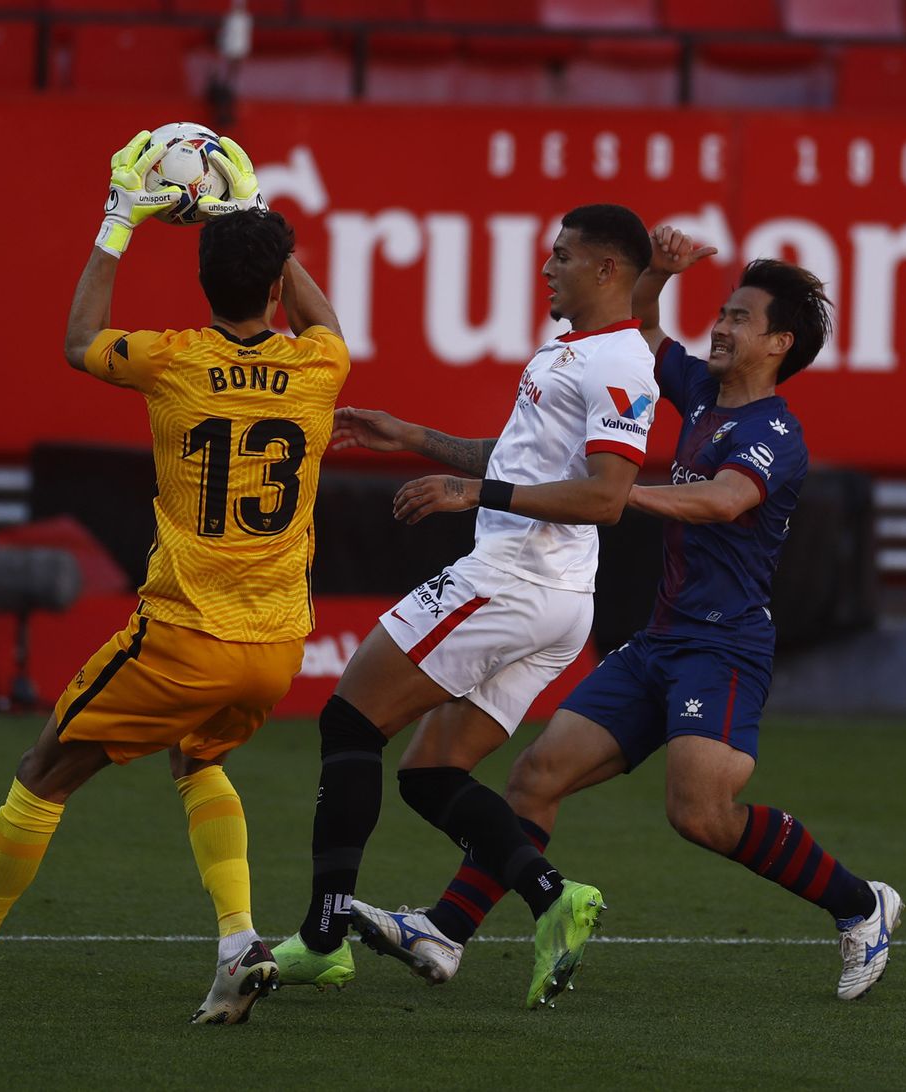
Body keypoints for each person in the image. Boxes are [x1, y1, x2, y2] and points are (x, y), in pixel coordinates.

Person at [0, 130, 349, 1026]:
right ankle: (239, 940)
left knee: (42, 769)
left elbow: (79, 338)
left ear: (205, 286)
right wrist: (255, 220)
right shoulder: (320, 366)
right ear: (278, 284)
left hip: (184, 634)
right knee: (198, 755)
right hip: (279, 646)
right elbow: (322, 320)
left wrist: (120, 220)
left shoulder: (173, 360)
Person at [351, 228, 903, 1004]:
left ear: (779, 343)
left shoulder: (776, 433)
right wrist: (660, 279)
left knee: (701, 814)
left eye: (740, 319)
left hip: (725, 649)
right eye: (722, 311)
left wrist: (613, 495)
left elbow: (722, 500)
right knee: (536, 777)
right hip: (659, 641)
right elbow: (641, 337)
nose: (721, 326)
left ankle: (859, 903)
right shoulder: (705, 393)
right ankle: (444, 931)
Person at [272, 204, 661, 1010]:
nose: (546, 268)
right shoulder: (571, 349)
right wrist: (411, 435)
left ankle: (320, 938)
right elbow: (520, 456)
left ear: (606, 271)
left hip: (512, 579)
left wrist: (468, 492)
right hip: (554, 598)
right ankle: (553, 893)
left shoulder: (622, 364)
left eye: (562, 256)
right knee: (429, 773)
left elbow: (607, 496)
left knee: (350, 722)